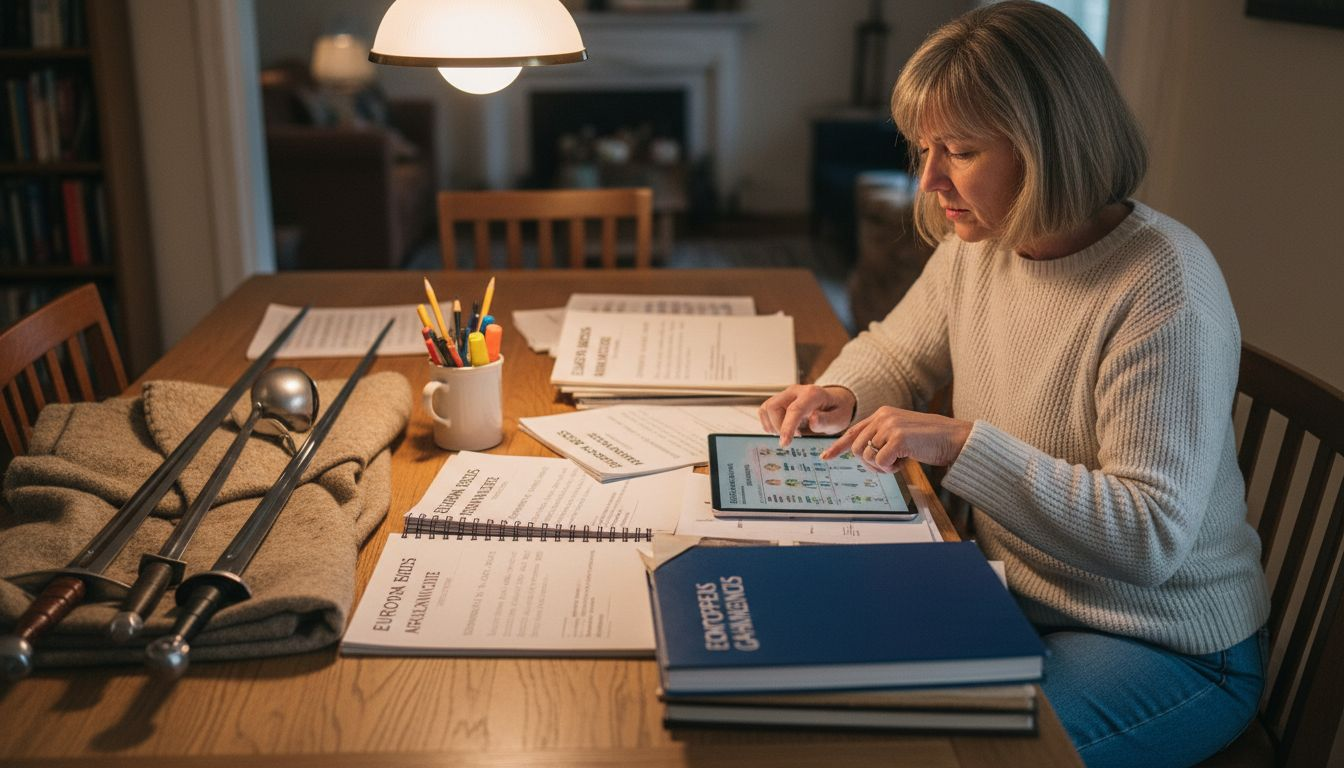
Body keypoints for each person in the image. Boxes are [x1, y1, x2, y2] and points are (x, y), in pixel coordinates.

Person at [758, 3, 1268, 766]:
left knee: (933, 753)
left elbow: (1151, 536)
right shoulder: (985, 240)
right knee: (810, 693)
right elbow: (899, 347)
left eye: (959, 151)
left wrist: (960, 443)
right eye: (926, 148)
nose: (929, 180)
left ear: (1049, 149)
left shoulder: (1163, 285)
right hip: (1011, 596)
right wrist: (845, 393)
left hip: (1165, 641)